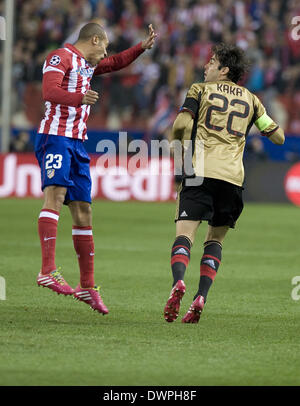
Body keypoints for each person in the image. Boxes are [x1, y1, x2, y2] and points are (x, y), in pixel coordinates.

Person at [35, 22, 156, 314]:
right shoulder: (59, 57)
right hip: (56, 136)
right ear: (94, 39)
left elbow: (115, 63)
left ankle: (87, 286)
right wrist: (80, 98)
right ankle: (47, 270)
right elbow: (49, 92)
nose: (105, 52)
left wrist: (141, 47)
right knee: (56, 194)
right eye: (104, 45)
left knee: (84, 211)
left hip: (77, 142)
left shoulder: (87, 65)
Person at [163, 43, 285, 324]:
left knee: (185, 236)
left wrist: (177, 151)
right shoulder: (252, 100)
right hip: (232, 178)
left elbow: (181, 126)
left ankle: (178, 283)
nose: (206, 66)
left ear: (224, 70)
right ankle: (201, 296)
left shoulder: (199, 90)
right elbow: (277, 137)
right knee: (214, 240)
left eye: (212, 62)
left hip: (200, 172)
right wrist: (258, 129)